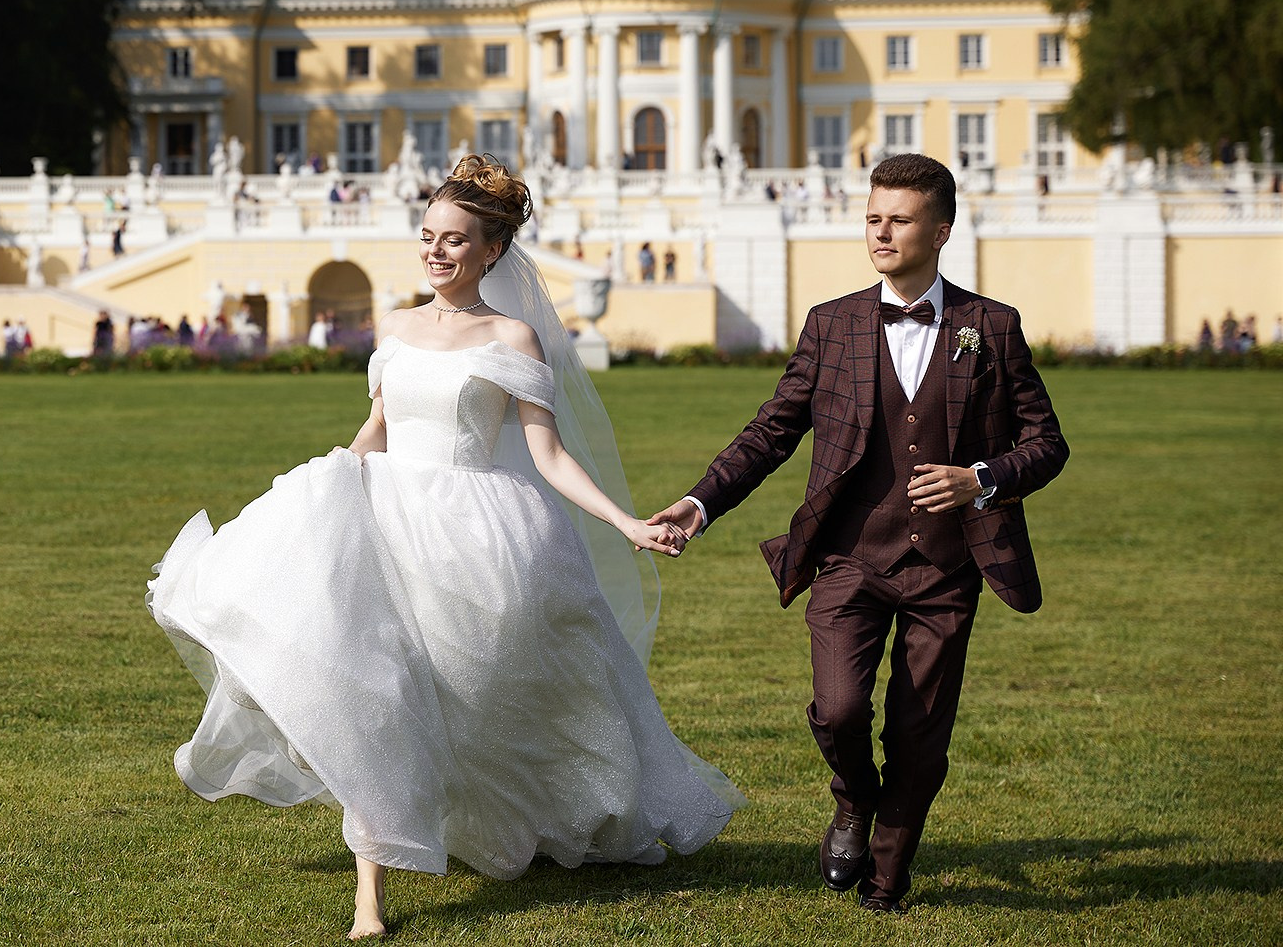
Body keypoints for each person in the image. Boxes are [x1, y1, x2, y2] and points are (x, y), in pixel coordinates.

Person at [149, 155, 739, 939]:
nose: (435, 251)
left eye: (454, 240)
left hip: (479, 532)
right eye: (427, 236)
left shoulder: (513, 335)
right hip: (387, 517)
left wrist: (628, 524)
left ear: (491, 251)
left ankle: (535, 810)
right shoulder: (395, 328)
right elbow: (377, 431)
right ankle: (370, 900)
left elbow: (550, 453)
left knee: (492, 697)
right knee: (376, 691)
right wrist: (321, 486)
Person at [648, 153, 1069, 915]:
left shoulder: (992, 327)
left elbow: (1048, 443)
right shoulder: (832, 324)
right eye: (873, 217)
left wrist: (981, 477)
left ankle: (886, 876)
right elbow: (771, 431)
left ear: (940, 230)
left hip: (947, 570)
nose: (880, 231)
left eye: (899, 219)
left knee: (920, 734)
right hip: (848, 558)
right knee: (838, 709)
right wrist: (698, 503)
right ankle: (852, 800)